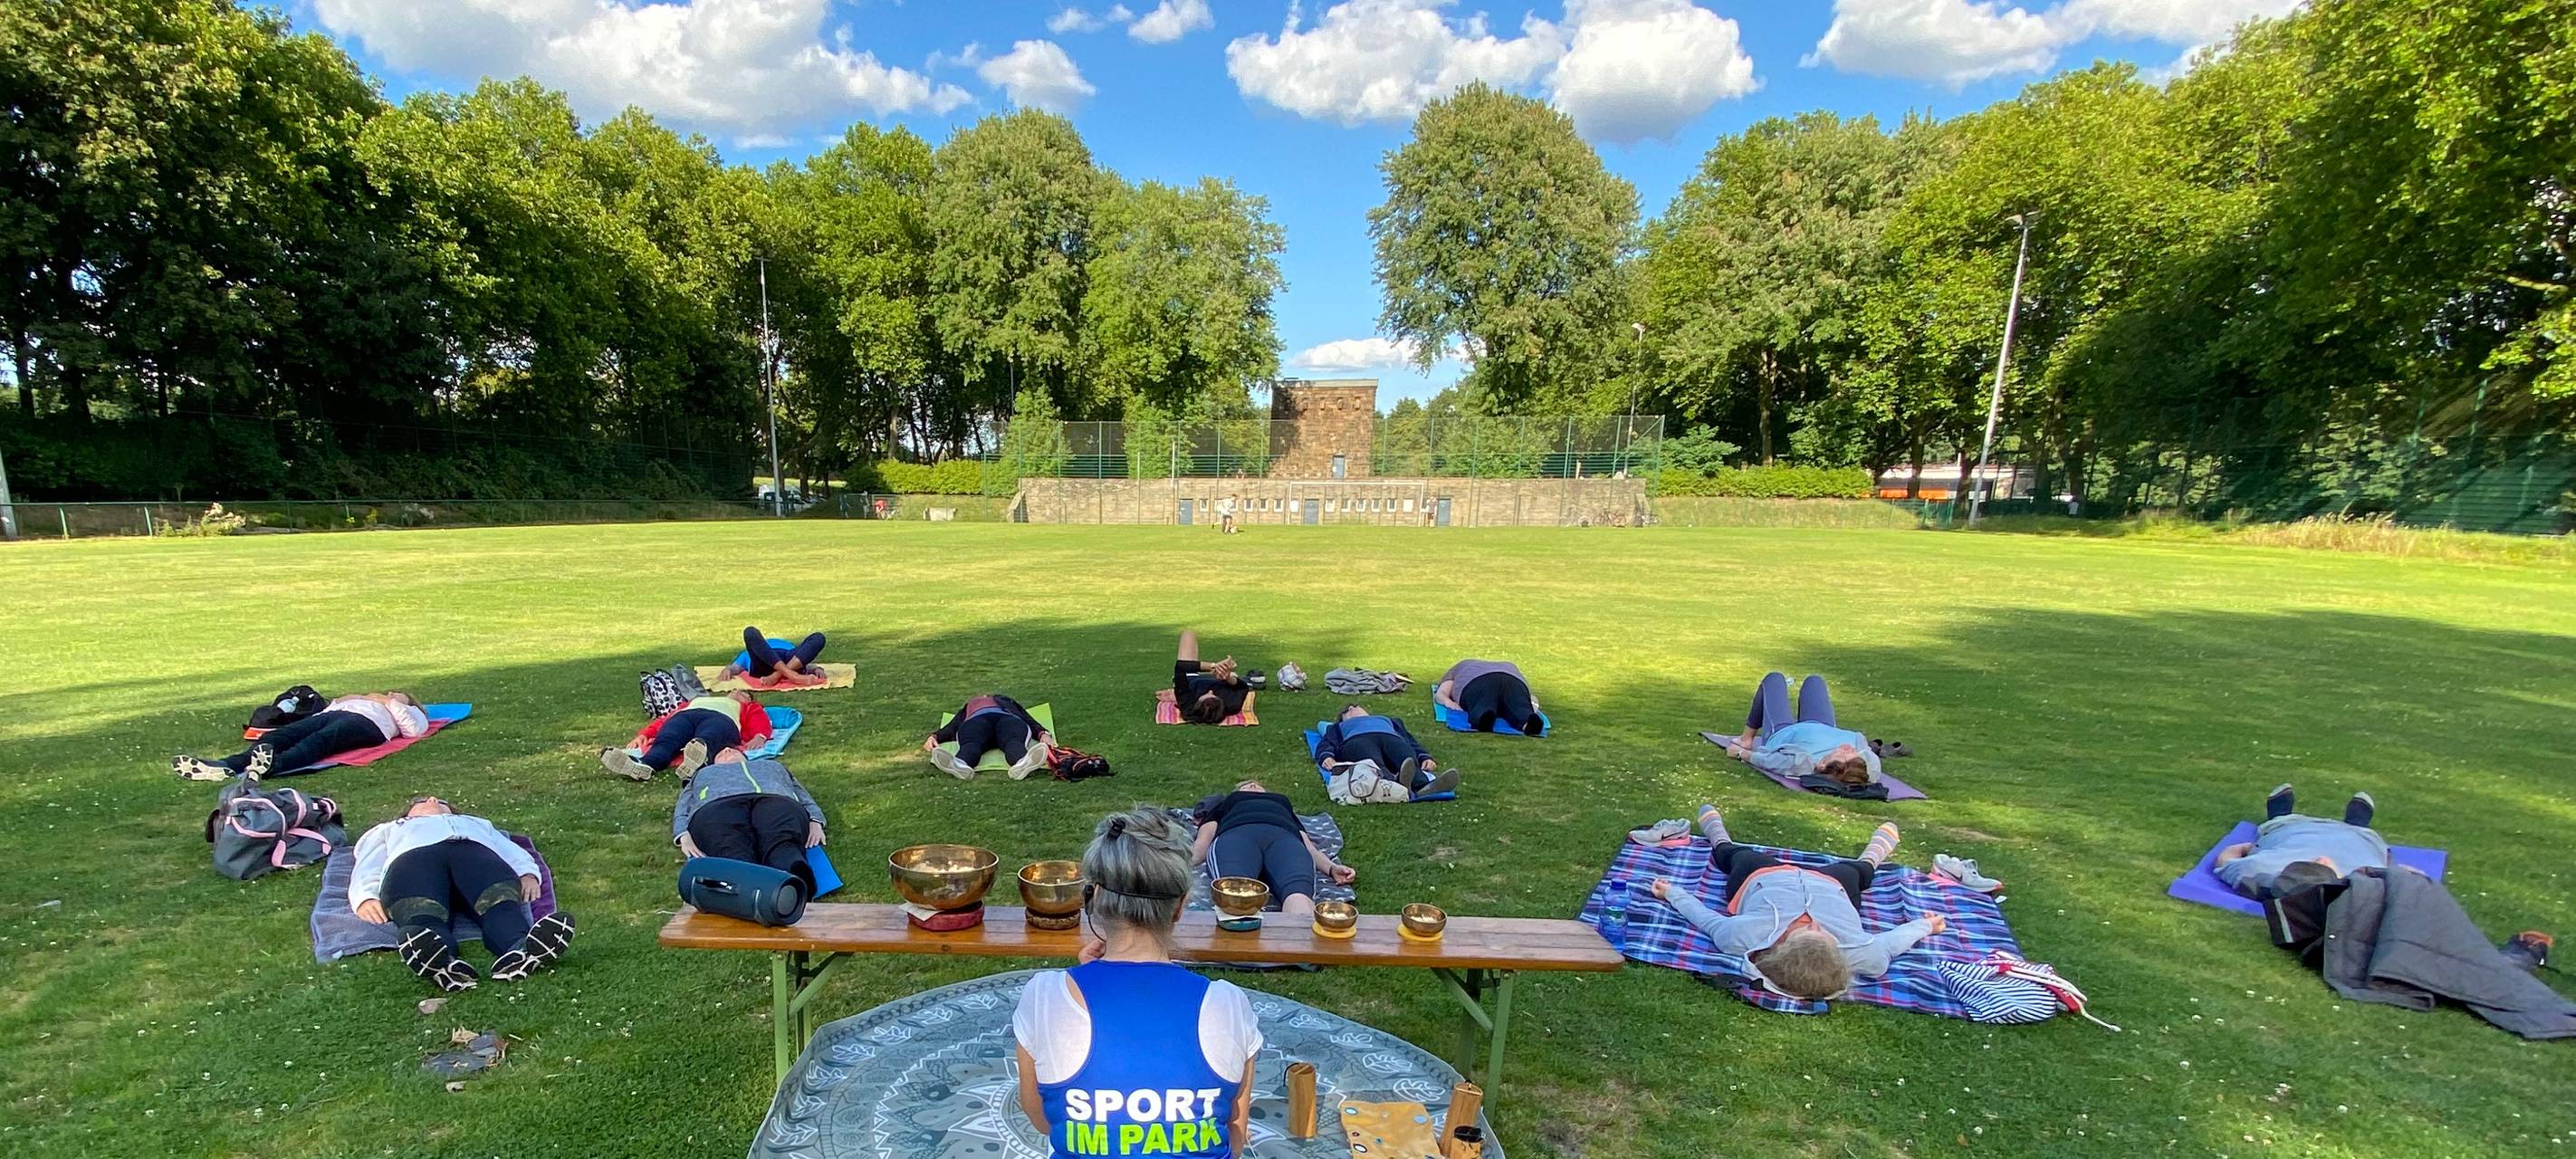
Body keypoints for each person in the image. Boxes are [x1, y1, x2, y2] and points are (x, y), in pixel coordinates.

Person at [1015, 808, 1259, 1156]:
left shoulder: (1045, 997)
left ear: (1095, 897)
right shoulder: (1228, 1003)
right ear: (1180, 907)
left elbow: (1044, 1120)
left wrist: (1085, 982)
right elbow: (1234, 1133)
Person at [1645, 805, 1944, 1001]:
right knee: (1860, 872)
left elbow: (1705, 918)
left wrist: (1672, 893)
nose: (1812, 923)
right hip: (1833, 887)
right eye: (1822, 934)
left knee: (1735, 856)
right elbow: (1893, 941)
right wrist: (1924, 926)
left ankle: (1717, 832)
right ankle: (1874, 852)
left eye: (1804, 931)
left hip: (1763, 878)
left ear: (1779, 948)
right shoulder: (1864, 957)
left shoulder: (1742, 937)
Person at [350, 796, 575, 991]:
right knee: (423, 911)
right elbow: (369, 860)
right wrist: (365, 895)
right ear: (408, 813)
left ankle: (522, 948)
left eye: (441, 802)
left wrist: (527, 873)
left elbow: (507, 848)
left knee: (499, 903)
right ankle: (441, 961)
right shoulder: (391, 828)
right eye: (422, 801)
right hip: (413, 861)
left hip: (475, 856)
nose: (433, 800)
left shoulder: (476, 824)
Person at [1189, 781, 1354, 918]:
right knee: (1235, 895)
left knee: (1299, 896)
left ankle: (1298, 950)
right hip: (1237, 835)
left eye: (1257, 784)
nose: (1253, 784)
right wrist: (1182, 863)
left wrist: (1331, 868)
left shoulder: (1282, 803)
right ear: (1237, 792)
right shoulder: (1228, 803)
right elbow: (1205, 838)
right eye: (1246, 785)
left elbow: (1308, 846)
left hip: (1284, 839)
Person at [175, 692, 428, 781]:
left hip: (368, 725)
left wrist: (387, 701)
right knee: (284, 735)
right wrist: (351, 699)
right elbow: (332, 707)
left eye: (399, 694)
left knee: (321, 741)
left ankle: (274, 766)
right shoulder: (362, 699)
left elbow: (413, 730)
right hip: (337, 714)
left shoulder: (409, 710)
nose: (392, 693)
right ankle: (229, 765)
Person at [672, 749, 826, 893]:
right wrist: (682, 834)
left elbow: (802, 794)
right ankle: (743, 883)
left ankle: (792, 877)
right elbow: (683, 805)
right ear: (714, 764)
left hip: (775, 800)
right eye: (721, 753)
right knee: (729, 844)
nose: (727, 750)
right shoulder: (702, 774)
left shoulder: (772, 765)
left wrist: (815, 820)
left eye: (733, 749)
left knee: (781, 837)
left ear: (746, 757)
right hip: (717, 805)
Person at [2213, 783, 2391, 899]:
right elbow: (2407, 878)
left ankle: (2281, 815)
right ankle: (2357, 823)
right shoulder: (2365, 884)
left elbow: (2225, 861)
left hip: (2292, 831)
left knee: (2280, 825)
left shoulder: (2260, 869)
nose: (2320, 859)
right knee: (2364, 838)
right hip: (2358, 838)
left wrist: (2248, 848)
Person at [1719, 672, 1881, 788]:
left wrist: (1740, 753)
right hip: (1823, 725)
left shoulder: (1803, 764)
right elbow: (1867, 770)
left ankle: (1746, 739)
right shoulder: (1866, 768)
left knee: (1774, 679)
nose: (1849, 749)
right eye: (1854, 754)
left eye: (1844, 755)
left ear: (1823, 765)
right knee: (1815, 680)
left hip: (1783, 732)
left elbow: (1765, 761)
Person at [601, 691, 772, 781]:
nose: (735, 691)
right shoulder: (695, 701)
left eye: (742, 692)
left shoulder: (746, 706)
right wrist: (645, 734)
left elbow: (759, 719)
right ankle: (645, 765)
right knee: (667, 739)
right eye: (734, 689)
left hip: (721, 719)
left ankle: (696, 760)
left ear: (747, 699)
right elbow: (666, 719)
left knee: (707, 738)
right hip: (686, 716)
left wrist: (760, 736)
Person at [1317, 704, 1460, 799]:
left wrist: (1424, 757)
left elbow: (1410, 740)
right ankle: (1392, 783)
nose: (1354, 708)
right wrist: (1326, 756)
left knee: (1405, 758)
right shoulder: (1339, 727)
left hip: (1392, 738)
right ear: (1344, 717)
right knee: (1373, 763)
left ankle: (1422, 785)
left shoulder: (1390, 721)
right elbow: (1327, 742)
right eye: (1349, 709)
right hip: (1357, 741)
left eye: (1356, 706)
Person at [925, 694, 1054, 781]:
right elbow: (953, 725)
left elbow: (1026, 717)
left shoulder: (1006, 700)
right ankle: (960, 765)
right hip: (977, 720)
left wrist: (1042, 733)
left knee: (1014, 742)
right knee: (971, 743)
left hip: (1006, 719)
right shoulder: (969, 705)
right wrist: (935, 736)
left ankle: (1022, 763)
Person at [1433, 659, 1543, 735]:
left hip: (1478, 682)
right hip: (1513, 681)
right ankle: (1527, 723)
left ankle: (1482, 718)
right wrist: (1532, 707)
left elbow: (1441, 694)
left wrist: (1448, 702)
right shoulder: (1510, 665)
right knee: (1518, 707)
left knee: (1482, 704)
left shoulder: (1458, 668)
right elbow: (1531, 698)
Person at [1173, 628, 1252, 724]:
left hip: (1191, 678)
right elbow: (1243, 687)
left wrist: (1214, 667)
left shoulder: (1187, 705)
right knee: (1233, 675)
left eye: (1205, 695)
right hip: (1222, 679)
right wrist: (1227, 677)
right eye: (1215, 695)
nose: (1210, 691)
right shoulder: (1232, 705)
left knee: (1188, 633)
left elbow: (1180, 666)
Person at [719, 627, 828, 689]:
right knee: (750, 632)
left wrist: (816, 669)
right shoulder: (748, 653)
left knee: (818, 638)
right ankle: (792, 675)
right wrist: (727, 669)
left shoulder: (788, 647)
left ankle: (781, 675)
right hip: (761, 664)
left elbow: (801, 658)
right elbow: (734, 667)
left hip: (788, 657)